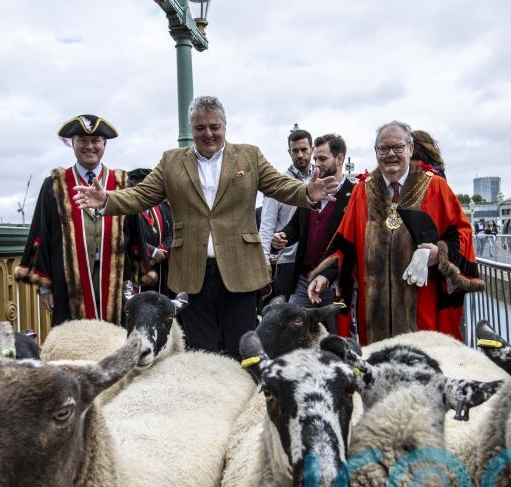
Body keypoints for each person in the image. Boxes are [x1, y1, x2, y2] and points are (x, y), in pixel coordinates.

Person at [73, 96, 338, 358]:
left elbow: (280, 185)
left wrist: (307, 192)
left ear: (224, 126)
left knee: (244, 350)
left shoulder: (249, 155)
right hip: (191, 273)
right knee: (201, 353)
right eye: (200, 128)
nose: (208, 134)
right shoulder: (171, 161)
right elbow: (140, 194)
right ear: (192, 130)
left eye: (214, 127)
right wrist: (106, 199)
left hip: (241, 271)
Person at [307, 120, 482, 344]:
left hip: (422, 311)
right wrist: (324, 274)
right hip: (374, 314)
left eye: (398, 147)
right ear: (376, 152)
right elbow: (344, 243)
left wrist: (439, 254)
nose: (391, 154)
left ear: (410, 149)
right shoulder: (362, 191)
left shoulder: (435, 187)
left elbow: (462, 234)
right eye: (383, 148)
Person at [15, 114, 128, 326]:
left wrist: (136, 282)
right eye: (82, 140)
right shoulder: (55, 185)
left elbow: (134, 234)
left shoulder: (121, 183)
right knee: (72, 342)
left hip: (115, 279)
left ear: (105, 144)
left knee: (115, 341)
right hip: (68, 280)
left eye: (95, 140)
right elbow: (41, 234)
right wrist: (45, 287)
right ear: (72, 144)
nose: (89, 146)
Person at [270, 133, 356, 332]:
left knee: (339, 336)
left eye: (323, 159)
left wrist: (328, 274)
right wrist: (283, 236)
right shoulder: (311, 189)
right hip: (304, 277)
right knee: (291, 327)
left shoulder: (354, 194)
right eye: (316, 158)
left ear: (340, 159)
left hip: (335, 281)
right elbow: (296, 226)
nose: (317, 164)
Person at [258, 129, 314, 301]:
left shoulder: (320, 181)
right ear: (289, 152)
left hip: (316, 259)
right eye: (295, 150)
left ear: (312, 149)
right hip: (288, 262)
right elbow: (266, 227)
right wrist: (264, 263)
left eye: (304, 150)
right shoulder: (278, 185)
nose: (300, 155)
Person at [124, 168, 173, 294]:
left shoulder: (159, 207)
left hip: (160, 265)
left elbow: (168, 235)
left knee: (161, 303)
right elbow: (130, 239)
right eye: (139, 186)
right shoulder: (128, 210)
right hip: (138, 266)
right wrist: (152, 252)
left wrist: (160, 252)